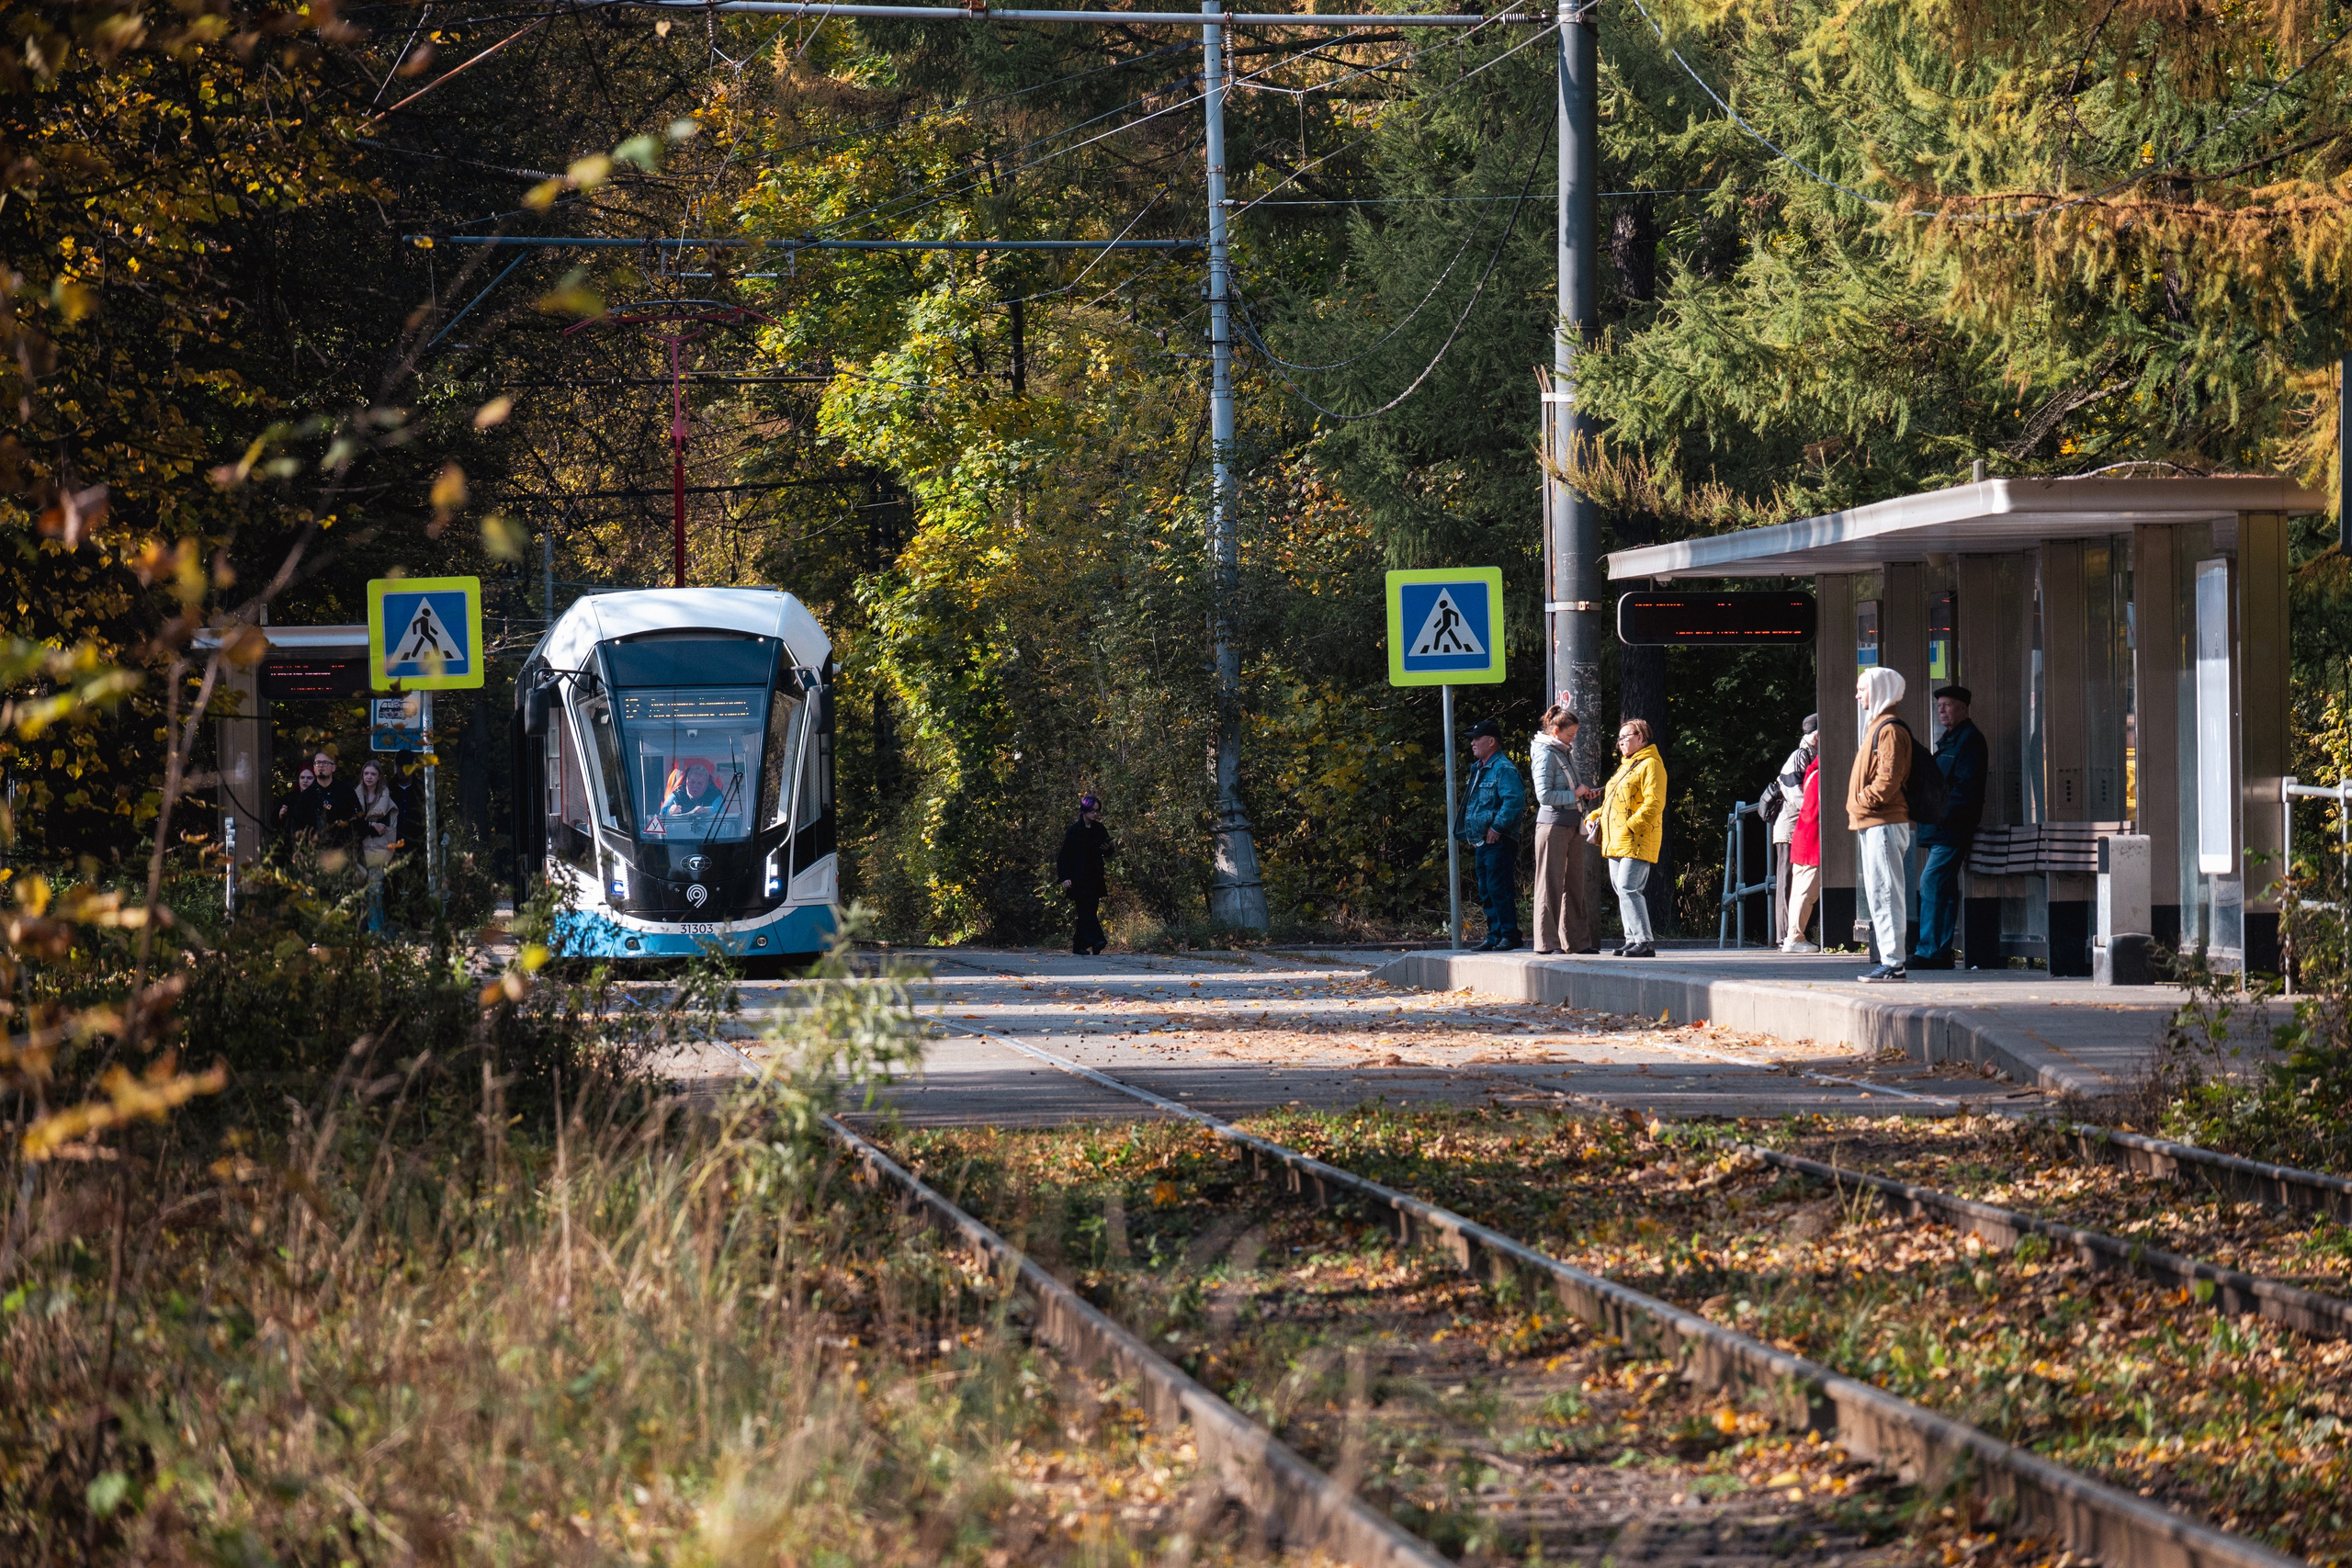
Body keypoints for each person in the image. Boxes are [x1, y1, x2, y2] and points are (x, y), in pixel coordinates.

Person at [1910, 684, 1989, 970]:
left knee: (1931, 882)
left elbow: (1965, 790)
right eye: (1939, 706)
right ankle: (1940, 951)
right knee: (1942, 887)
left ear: (1963, 708)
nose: (1941, 711)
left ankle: (1930, 951)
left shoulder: (1969, 740)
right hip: (1942, 829)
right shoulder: (1950, 740)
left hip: (1952, 829)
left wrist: (1937, 813)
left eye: (1948, 705)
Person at [1849, 666, 1914, 981]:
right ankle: (1891, 960)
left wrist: (1861, 801)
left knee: (1886, 892)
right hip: (1875, 821)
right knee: (1881, 892)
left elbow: (1888, 780)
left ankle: (1893, 963)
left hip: (1883, 822)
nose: (1857, 695)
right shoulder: (1879, 726)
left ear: (1878, 690)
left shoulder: (1889, 730)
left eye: (1862, 689)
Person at [1589, 717, 1666, 956]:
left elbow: (1655, 802)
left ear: (1641, 737)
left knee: (1629, 888)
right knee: (1622, 890)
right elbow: (1612, 804)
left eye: (1625, 737)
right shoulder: (1626, 766)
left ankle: (1644, 941)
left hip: (1636, 838)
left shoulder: (1651, 764)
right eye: (1619, 738)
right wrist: (1593, 816)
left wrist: (1631, 826)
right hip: (1617, 840)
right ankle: (1632, 939)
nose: (1620, 742)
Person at [1529, 701, 1600, 955]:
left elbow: (1569, 790)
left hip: (1571, 824)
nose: (1574, 739)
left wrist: (1583, 795)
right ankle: (1547, 944)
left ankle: (1577, 942)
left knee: (1574, 885)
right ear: (1556, 731)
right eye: (1571, 734)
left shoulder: (1562, 751)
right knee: (1550, 885)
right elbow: (1544, 796)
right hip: (1552, 826)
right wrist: (1575, 794)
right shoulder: (1546, 754)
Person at [1456, 718, 1529, 950]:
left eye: (1477, 739)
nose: (1472, 743)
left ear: (1491, 741)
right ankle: (1495, 935)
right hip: (1483, 840)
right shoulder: (1479, 768)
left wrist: (1497, 828)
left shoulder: (1503, 768)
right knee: (1487, 890)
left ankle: (1509, 934)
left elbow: (1514, 800)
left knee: (1499, 888)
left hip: (1499, 839)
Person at [1765, 715, 1819, 943]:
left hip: (1799, 827)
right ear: (1816, 736)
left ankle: (1793, 934)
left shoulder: (1807, 755)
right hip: (1790, 829)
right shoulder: (1799, 756)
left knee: (1794, 882)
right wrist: (1815, 810)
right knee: (1787, 882)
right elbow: (1796, 794)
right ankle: (1784, 935)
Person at [1057, 794, 1116, 955]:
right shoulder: (1074, 831)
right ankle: (1098, 940)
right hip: (1078, 878)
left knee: (1089, 910)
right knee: (1085, 909)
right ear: (1083, 811)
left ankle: (1079, 945)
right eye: (1092, 811)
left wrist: (1107, 849)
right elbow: (1064, 856)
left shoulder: (1099, 829)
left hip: (1095, 877)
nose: (1095, 814)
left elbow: (1107, 852)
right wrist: (1064, 877)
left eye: (1097, 811)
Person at [1782, 753, 1823, 953]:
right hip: (1812, 841)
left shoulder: (1811, 775)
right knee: (1807, 893)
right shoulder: (1821, 778)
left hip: (1802, 838)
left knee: (1798, 891)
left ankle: (1793, 936)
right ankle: (1795, 938)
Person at [356, 761, 400, 934]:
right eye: (366, 773)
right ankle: (369, 929)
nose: (369, 777)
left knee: (375, 890)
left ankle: (376, 931)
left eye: (373, 774)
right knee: (360, 890)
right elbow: (353, 823)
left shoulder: (385, 798)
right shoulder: (355, 796)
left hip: (378, 849)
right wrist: (371, 825)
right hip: (358, 848)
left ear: (379, 776)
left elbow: (390, 827)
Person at [647, 759, 721, 834]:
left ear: (707, 784)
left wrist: (708, 811)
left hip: (708, 835)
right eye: (692, 782)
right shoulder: (678, 793)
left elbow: (722, 812)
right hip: (679, 834)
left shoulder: (714, 794)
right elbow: (662, 813)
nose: (695, 786)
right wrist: (670, 811)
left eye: (700, 783)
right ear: (687, 781)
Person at [310, 750, 361, 852]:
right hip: (314, 851)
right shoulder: (307, 795)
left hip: (342, 850)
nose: (321, 765)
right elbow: (298, 824)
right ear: (314, 767)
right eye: (318, 763)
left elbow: (358, 820)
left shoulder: (346, 792)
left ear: (333, 767)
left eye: (325, 762)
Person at [277, 765, 321, 839]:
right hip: (293, 841)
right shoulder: (289, 798)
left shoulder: (320, 798)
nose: (305, 781)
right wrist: (280, 815)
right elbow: (277, 824)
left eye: (309, 778)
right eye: (302, 777)